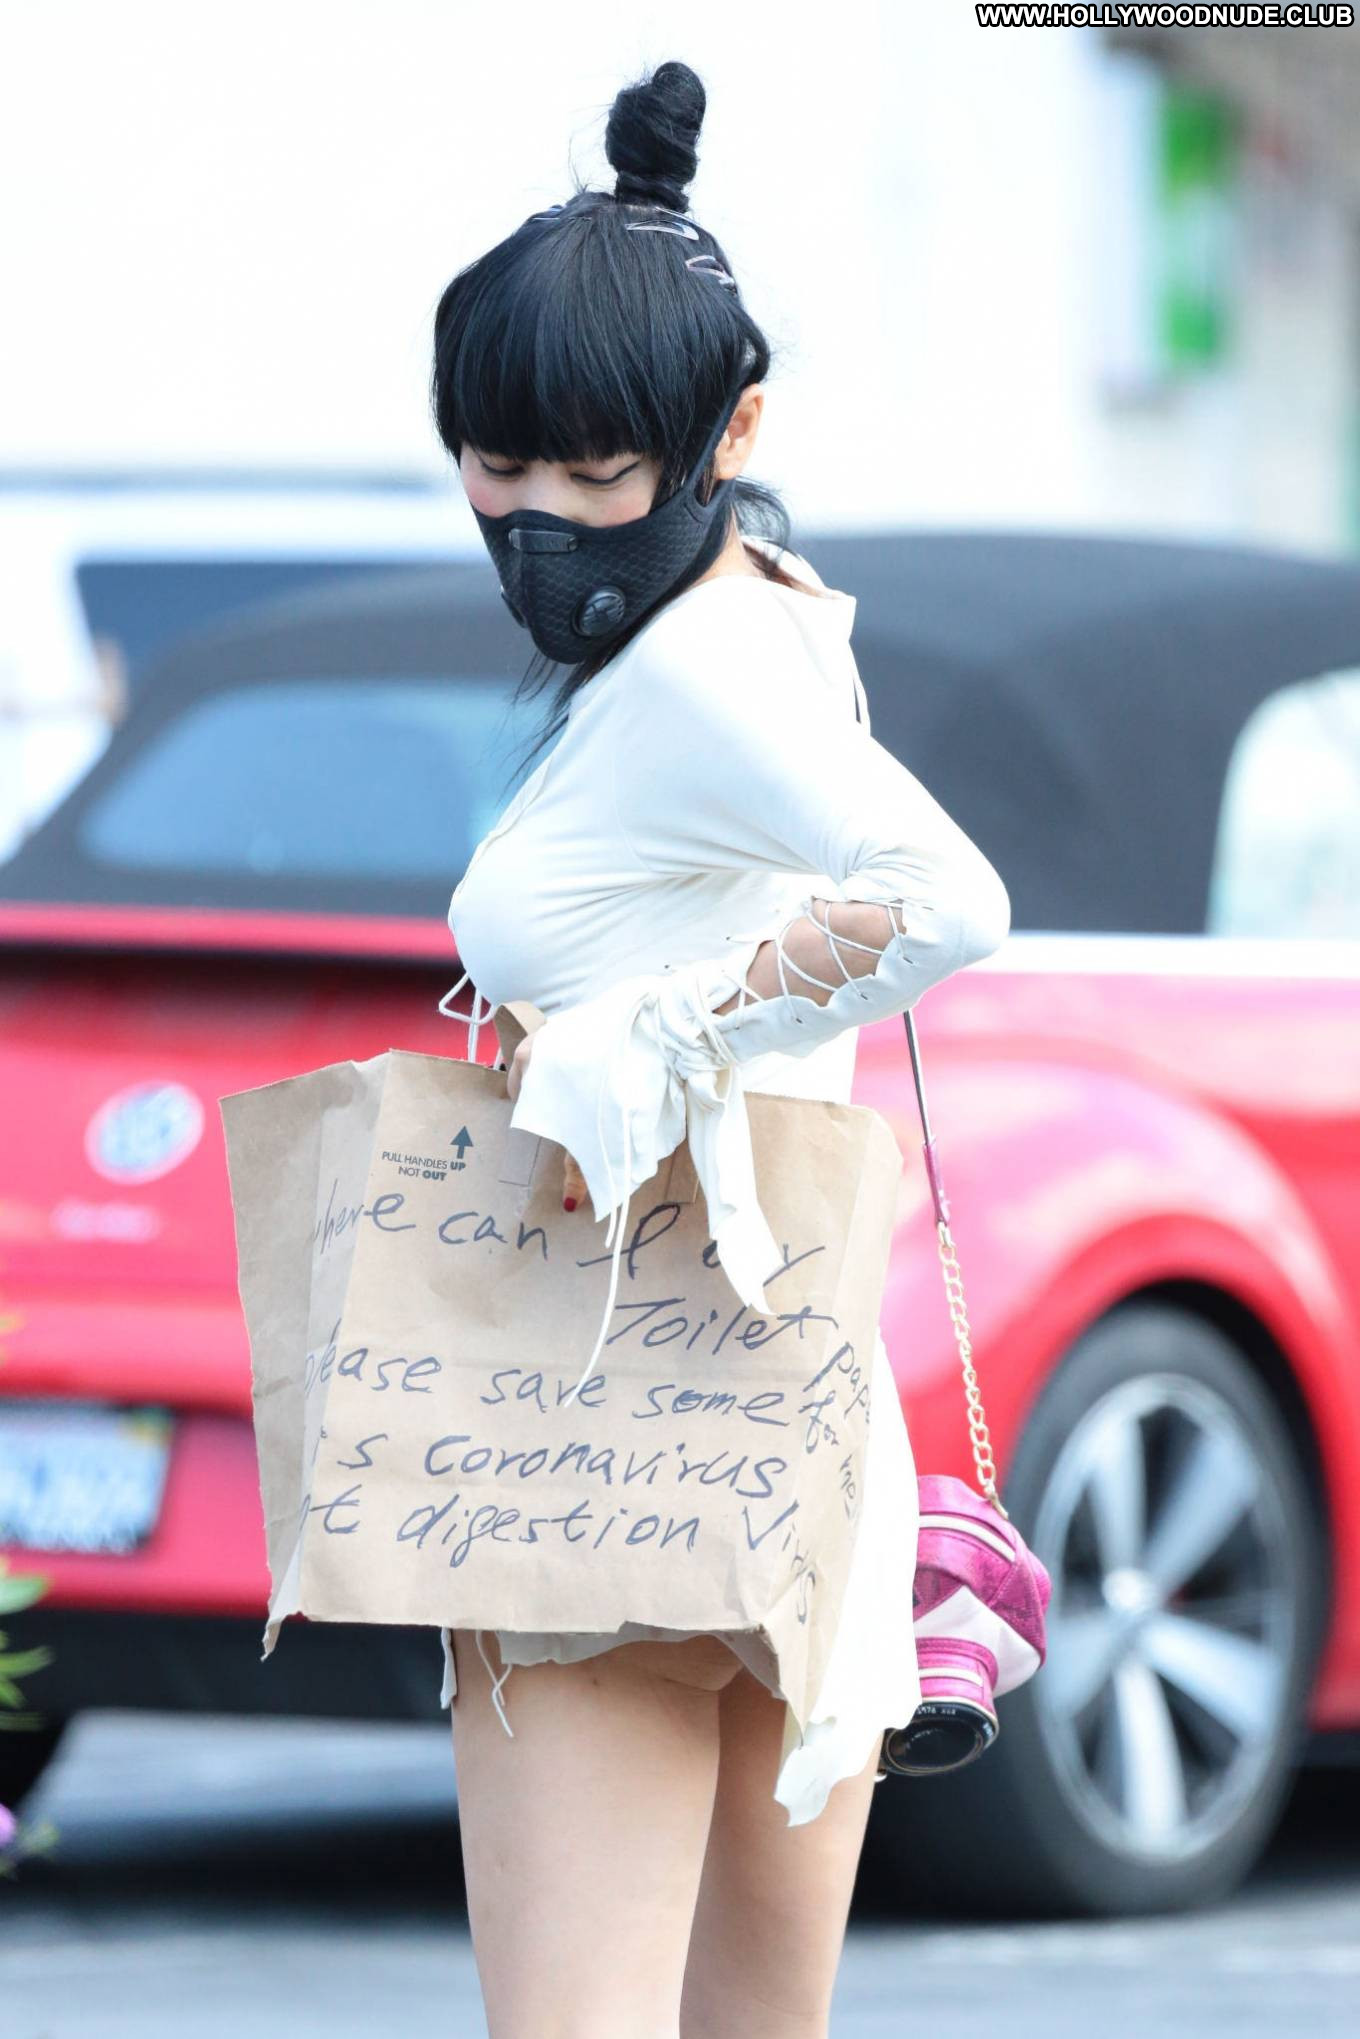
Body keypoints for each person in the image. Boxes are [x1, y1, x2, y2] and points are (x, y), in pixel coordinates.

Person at [428, 59, 1011, 2039]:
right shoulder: (768, 614)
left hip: (598, 1421)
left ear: (726, 431)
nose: (536, 518)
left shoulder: (694, 668)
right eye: (494, 465)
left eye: (595, 473)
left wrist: (667, 1033)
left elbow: (951, 902)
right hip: (789, 1422)